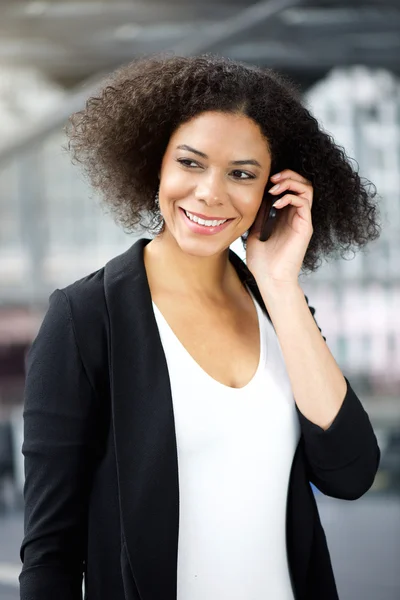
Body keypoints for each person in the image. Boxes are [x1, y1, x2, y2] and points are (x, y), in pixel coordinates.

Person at [19, 54, 381, 600]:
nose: (212, 193)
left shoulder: (276, 304)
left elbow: (350, 473)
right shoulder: (86, 317)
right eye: (191, 163)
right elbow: (50, 552)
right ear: (155, 165)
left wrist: (281, 285)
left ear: (271, 190)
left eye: (242, 173)